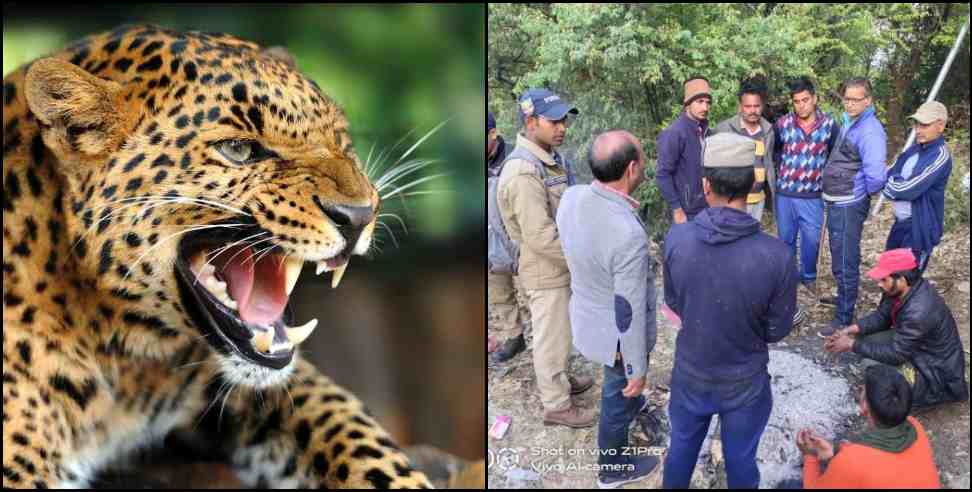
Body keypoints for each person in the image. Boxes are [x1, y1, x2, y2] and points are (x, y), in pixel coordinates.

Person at [662, 132, 798, 489]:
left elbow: (675, 304)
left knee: (681, 451)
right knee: (740, 460)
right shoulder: (778, 255)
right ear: (754, 183)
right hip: (745, 381)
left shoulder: (677, 239)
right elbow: (777, 330)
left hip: (691, 372)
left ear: (706, 185)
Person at [556, 131, 661, 488]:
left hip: (587, 316)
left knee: (620, 392)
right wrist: (636, 368)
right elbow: (627, 308)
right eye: (644, 159)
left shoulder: (571, 197)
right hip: (616, 333)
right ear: (632, 169)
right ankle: (612, 470)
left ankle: (632, 407)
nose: (645, 164)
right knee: (618, 393)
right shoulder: (626, 233)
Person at [497, 89, 594, 428]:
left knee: (562, 332)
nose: (562, 127)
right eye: (553, 121)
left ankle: (562, 380)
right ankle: (556, 405)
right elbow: (539, 237)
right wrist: (583, 261)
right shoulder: (524, 171)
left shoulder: (548, 159)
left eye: (564, 120)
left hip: (558, 264)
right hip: (545, 268)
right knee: (551, 336)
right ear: (530, 121)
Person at [824, 248, 969, 410]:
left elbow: (897, 355)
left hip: (934, 371)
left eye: (883, 279)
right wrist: (848, 331)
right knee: (862, 341)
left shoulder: (919, 311)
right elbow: (881, 317)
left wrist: (850, 345)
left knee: (870, 366)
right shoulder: (898, 290)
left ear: (902, 279)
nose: (879, 284)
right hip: (916, 349)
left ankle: (909, 398)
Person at [794, 365, 941, 489]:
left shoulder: (852, 461)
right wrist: (834, 451)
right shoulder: (914, 425)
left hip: (851, 464)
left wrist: (810, 456)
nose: (860, 390)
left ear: (865, 406)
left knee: (790, 484)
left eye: (862, 390)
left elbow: (860, 462)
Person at [820, 77, 888, 338]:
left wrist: (860, 194)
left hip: (850, 204)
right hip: (839, 202)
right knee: (840, 257)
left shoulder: (870, 130)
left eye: (855, 99)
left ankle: (844, 318)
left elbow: (876, 177)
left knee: (846, 259)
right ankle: (843, 301)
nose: (849, 103)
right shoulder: (851, 122)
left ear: (868, 100)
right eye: (846, 98)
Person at [772, 76, 840, 316]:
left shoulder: (830, 125)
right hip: (786, 193)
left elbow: (834, 153)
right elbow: (777, 151)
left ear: (815, 99)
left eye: (805, 100)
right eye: (796, 101)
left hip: (813, 195)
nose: (801, 105)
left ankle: (809, 276)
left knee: (811, 239)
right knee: (786, 239)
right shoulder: (782, 124)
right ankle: (787, 278)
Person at [882, 101, 953, 273]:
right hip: (901, 224)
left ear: (940, 126)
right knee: (888, 274)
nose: (918, 129)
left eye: (925, 125)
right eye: (917, 124)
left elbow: (906, 190)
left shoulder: (940, 156)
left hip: (918, 229)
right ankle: (887, 301)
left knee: (906, 283)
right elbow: (886, 175)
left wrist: (890, 185)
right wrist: (892, 182)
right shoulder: (913, 150)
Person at [487, 111, 528, 363]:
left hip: (520, 244)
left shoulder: (516, 160)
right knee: (500, 296)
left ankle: (556, 360)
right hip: (488, 248)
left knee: (539, 300)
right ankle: (515, 336)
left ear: (493, 133)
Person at [715, 79, 775, 223]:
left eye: (757, 106)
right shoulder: (725, 129)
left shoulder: (768, 130)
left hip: (759, 200)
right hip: (732, 201)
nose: (753, 111)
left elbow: (767, 162)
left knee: (752, 240)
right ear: (740, 106)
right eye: (748, 106)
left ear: (762, 106)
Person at [656, 76, 713, 224]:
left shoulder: (706, 130)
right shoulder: (674, 133)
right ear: (687, 104)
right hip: (687, 211)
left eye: (708, 103)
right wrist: (677, 208)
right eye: (700, 102)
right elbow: (663, 175)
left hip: (708, 206)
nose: (705, 108)